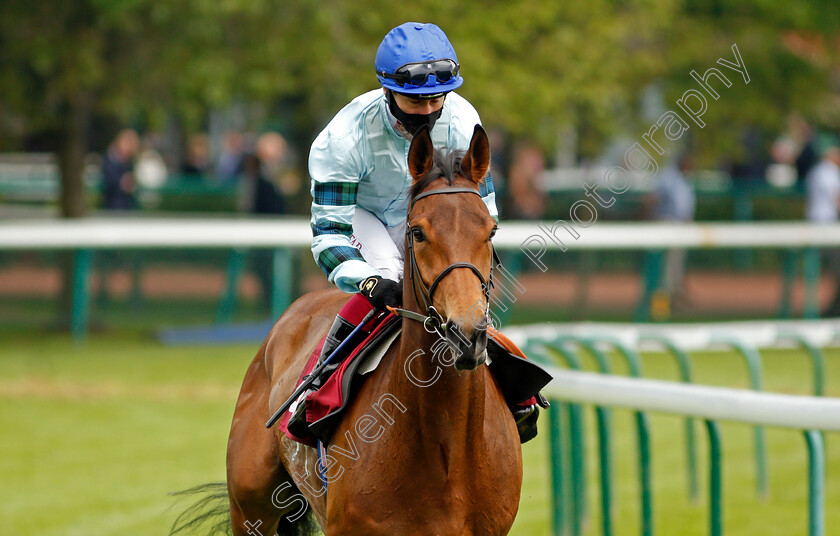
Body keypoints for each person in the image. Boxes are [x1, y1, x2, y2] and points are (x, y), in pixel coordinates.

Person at [288, 22, 546, 442]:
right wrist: (368, 281)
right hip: (365, 216)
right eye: (414, 100)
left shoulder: (464, 120)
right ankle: (317, 387)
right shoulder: (343, 136)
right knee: (391, 277)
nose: (427, 111)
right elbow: (329, 234)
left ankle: (516, 389)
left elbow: (484, 213)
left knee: (463, 289)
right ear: (388, 90)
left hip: (436, 216)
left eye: (435, 100)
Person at [804, 136, 840, 316]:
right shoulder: (827, 171)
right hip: (824, 227)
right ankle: (833, 310)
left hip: (820, 225)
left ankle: (833, 308)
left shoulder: (817, 171)